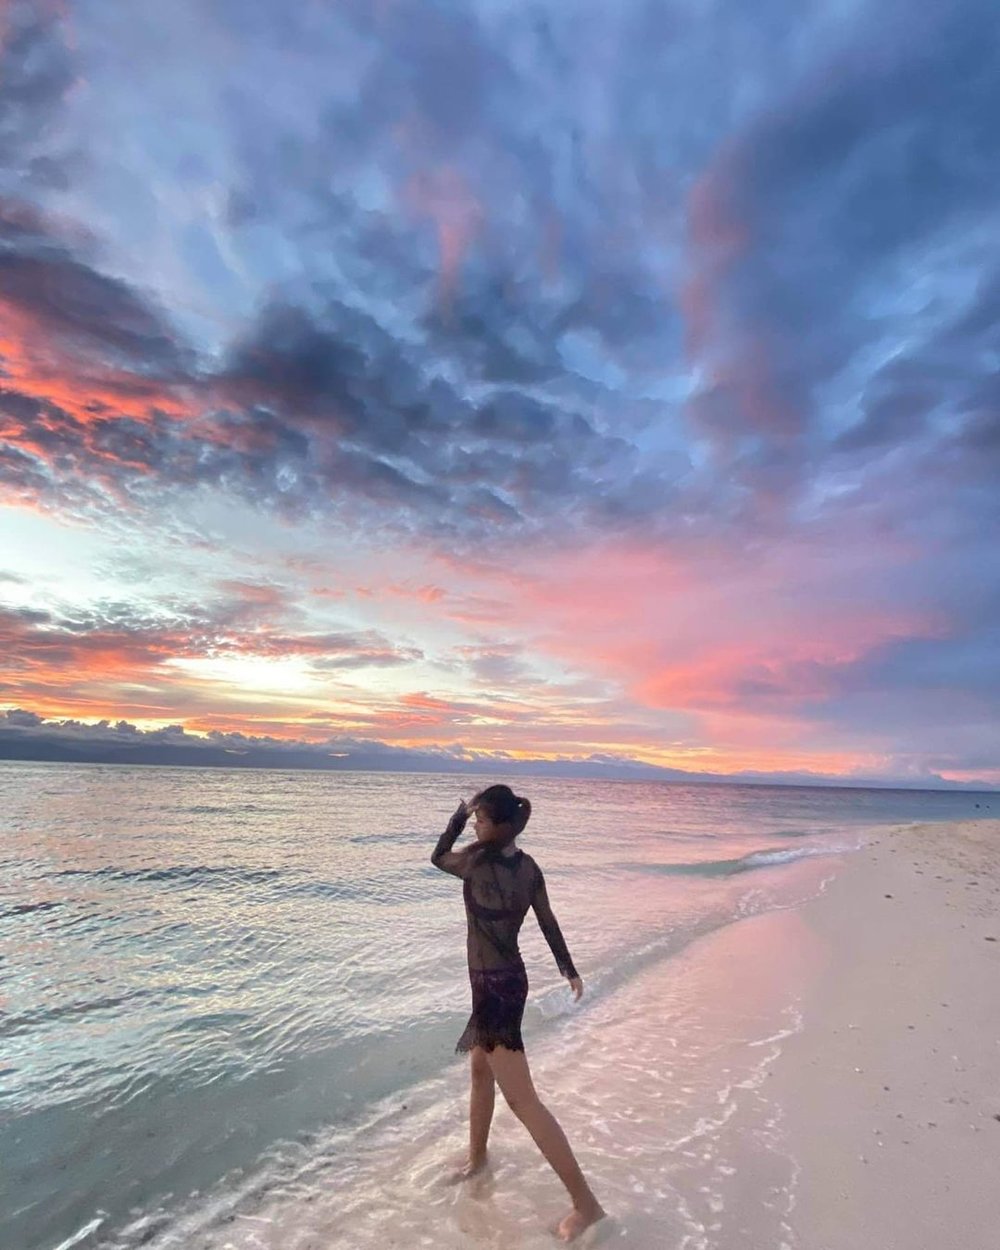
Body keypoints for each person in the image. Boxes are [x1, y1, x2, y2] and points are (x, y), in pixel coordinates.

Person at [430, 784, 606, 1243]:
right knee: (479, 1072)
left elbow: (437, 856)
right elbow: (547, 922)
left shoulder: (474, 863)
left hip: (493, 989)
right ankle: (477, 1159)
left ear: (501, 824)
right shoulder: (528, 869)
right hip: (508, 982)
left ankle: (587, 1207)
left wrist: (454, 818)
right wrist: (569, 970)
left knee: (524, 1101)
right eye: (473, 819)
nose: (474, 824)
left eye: (480, 819)